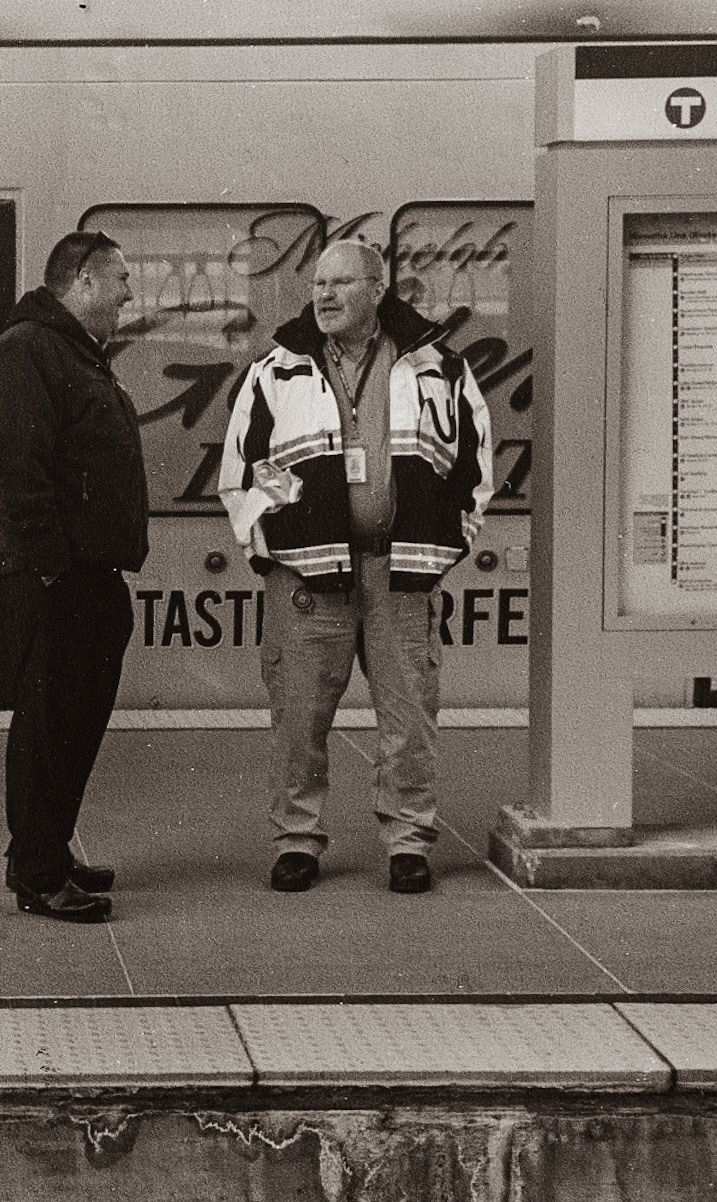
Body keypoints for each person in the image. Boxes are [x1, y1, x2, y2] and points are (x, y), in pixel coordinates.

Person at [219, 240, 493, 895]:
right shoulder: (275, 371)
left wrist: (442, 544)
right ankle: (297, 842)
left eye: (341, 283)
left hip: (400, 577)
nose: (325, 295)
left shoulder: (437, 367)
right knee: (298, 721)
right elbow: (242, 468)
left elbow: (476, 464)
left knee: (409, 720)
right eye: (318, 283)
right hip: (308, 583)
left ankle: (407, 843)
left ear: (377, 289)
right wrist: (280, 542)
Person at [0, 230, 148, 923]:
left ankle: (46, 849)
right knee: (49, 726)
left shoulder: (74, 354)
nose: (128, 297)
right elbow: (18, 470)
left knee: (75, 721)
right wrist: (52, 569)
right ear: (81, 282)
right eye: (120, 282)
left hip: (87, 574)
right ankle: (40, 873)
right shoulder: (26, 351)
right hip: (54, 578)